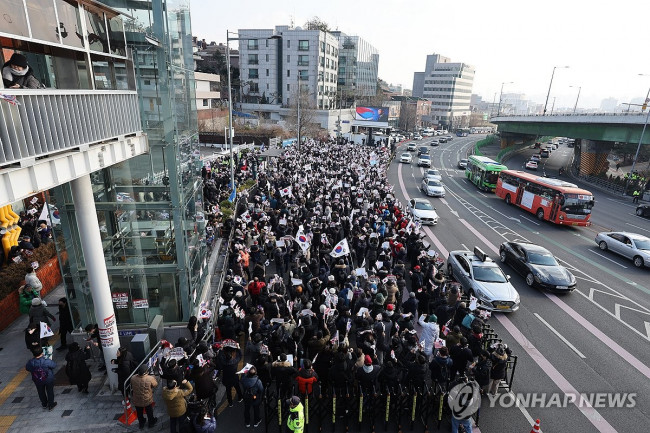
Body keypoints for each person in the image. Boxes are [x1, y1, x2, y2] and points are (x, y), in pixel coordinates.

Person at [130, 365, 158, 429]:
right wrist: (153, 377)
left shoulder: (133, 377)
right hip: (147, 399)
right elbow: (155, 384)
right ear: (146, 372)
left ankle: (141, 423)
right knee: (149, 412)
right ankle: (151, 422)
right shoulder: (150, 378)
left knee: (139, 412)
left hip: (137, 399)